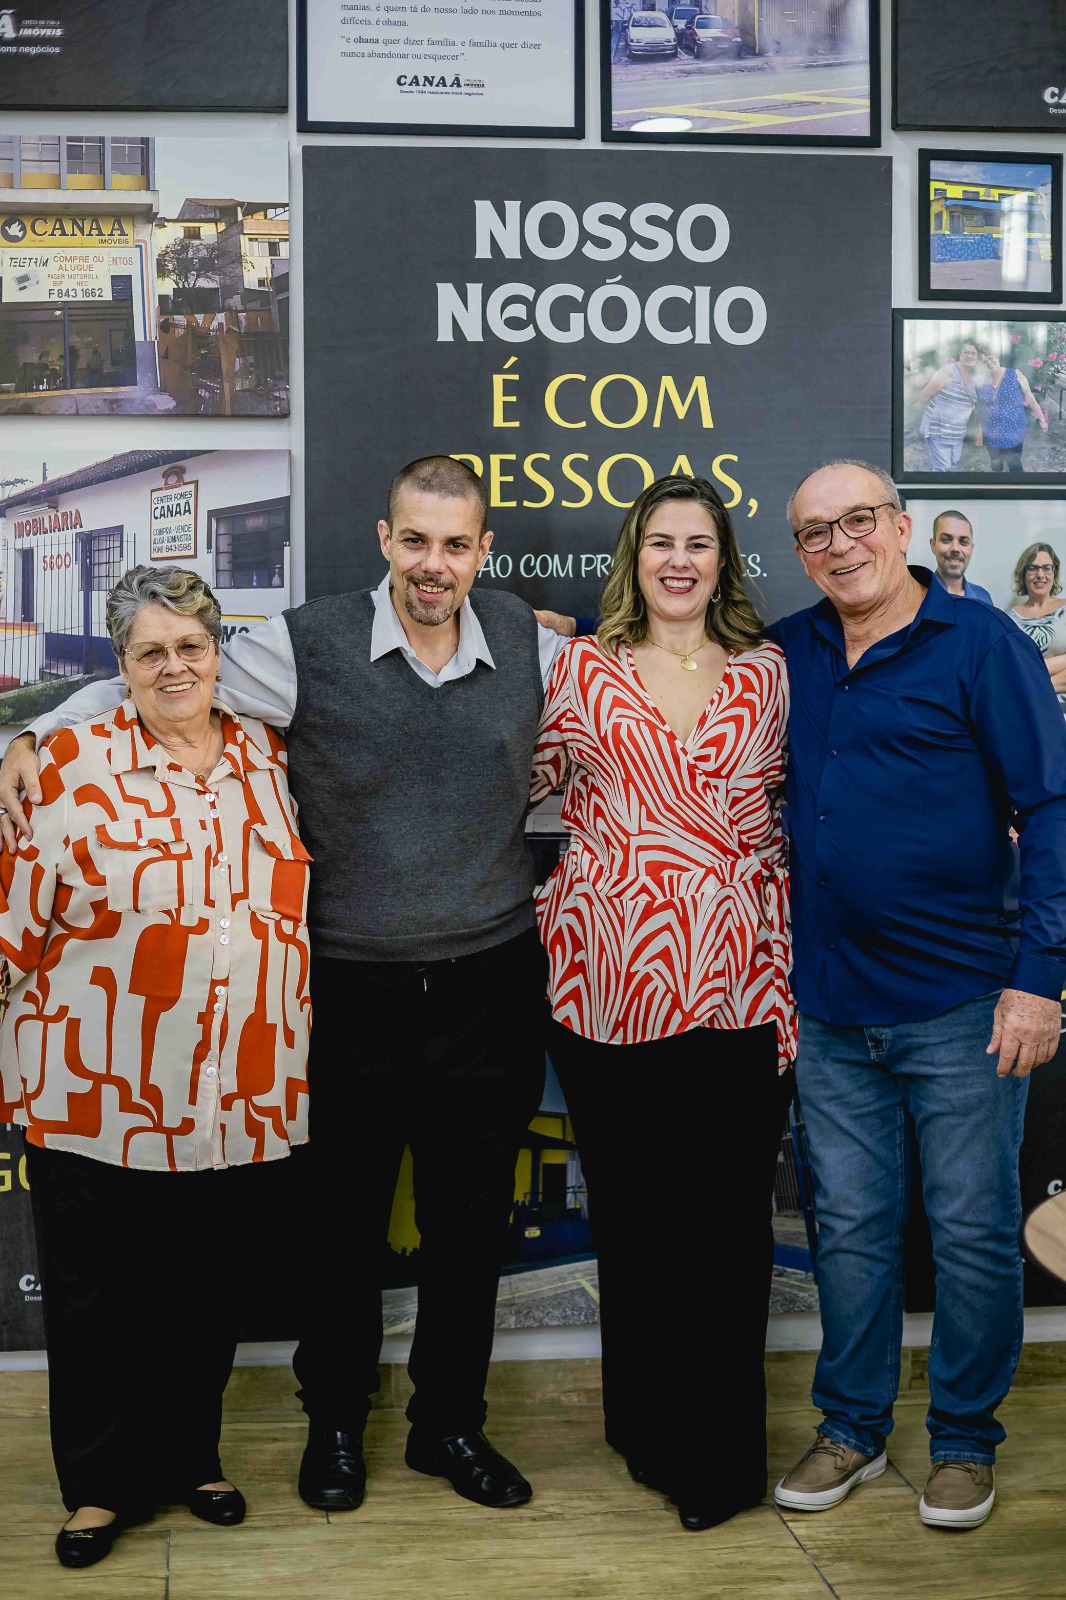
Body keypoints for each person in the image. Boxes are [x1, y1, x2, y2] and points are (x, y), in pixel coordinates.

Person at [0, 456, 576, 1518]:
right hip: (351, 986)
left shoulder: (531, 643)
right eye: (415, 540)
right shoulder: (307, 645)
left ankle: (451, 1423)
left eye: (455, 544)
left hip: (489, 980)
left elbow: (622, 701)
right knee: (342, 1233)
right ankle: (337, 1425)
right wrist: (32, 734)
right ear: (383, 539)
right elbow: (166, 675)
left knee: (467, 1231)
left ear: (483, 551)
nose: (434, 564)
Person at [767, 461, 1066, 1531]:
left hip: (964, 1003)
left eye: (858, 520)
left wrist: (1039, 981)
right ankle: (850, 1427)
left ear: (900, 529)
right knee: (848, 1228)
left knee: (972, 1231)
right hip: (828, 1004)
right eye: (815, 532)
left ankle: (963, 1441)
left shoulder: (983, 644)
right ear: (800, 553)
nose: (839, 544)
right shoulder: (790, 650)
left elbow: (1053, 806)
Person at [0, 566, 311, 1569]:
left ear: (219, 652)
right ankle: (99, 1487)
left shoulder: (269, 757)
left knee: (202, 1291)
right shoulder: (66, 761)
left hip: (232, 1089)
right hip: (94, 1086)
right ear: (119, 664)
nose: (174, 667)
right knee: (96, 1297)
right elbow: (13, 925)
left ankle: (190, 1458)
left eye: (191, 646)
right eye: (150, 651)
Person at [531, 475, 795, 1533]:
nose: (678, 561)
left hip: (739, 978)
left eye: (698, 543)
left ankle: (717, 1458)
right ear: (632, 559)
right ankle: (643, 1426)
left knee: (727, 1225)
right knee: (637, 1217)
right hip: (606, 981)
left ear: (723, 561)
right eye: (660, 543)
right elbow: (510, 780)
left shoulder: (771, 673)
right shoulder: (579, 670)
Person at [1008, 542, 1066, 713]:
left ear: (1054, 572)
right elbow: (1011, 671)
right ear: (1023, 573)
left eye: (1046, 568)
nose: (1040, 575)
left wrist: (1040, 687)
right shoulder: (1007, 619)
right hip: (1025, 711)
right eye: (1033, 568)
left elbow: (1025, 671)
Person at [977, 346, 1047, 474]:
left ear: (997, 357)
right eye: (985, 361)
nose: (989, 362)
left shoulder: (1015, 374)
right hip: (991, 434)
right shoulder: (982, 381)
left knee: (1015, 467)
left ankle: (1017, 486)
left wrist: (1042, 419)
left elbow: (1030, 398)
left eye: (991, 358)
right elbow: (980, 406)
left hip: (1013, 433)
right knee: (996, 466)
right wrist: (979, 432)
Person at [916, 341, 980, 472]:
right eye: (966, 352)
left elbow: (971, 403)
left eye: (973, 353)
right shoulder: (949, 370)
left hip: (957, 433)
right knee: (942, 469)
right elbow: (926, 394)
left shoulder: (972, 376)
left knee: (954, 467)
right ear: (960, 355)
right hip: (938, 431)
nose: (970, 356)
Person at [928, 509, 992, 603]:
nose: (955, 548)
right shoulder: (916, 597)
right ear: (933, 545)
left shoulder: (983, 599)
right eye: (946, 540)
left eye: (963, 542)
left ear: (971, 548)